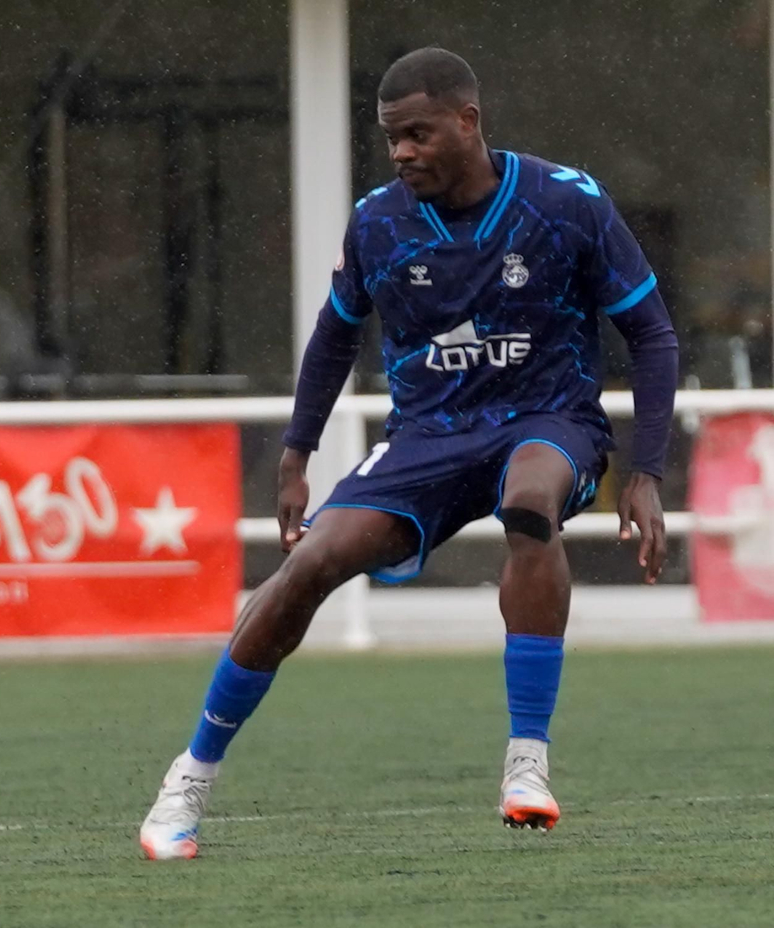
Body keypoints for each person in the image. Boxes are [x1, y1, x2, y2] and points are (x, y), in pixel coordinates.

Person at [138, 47, 679, 859]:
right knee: (311, 563)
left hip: (547, 418)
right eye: (391, 137)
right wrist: (296, 453)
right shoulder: (379, 222)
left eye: (418, 134)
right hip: (426, 437)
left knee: (531, 500)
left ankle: (526, 764)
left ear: (469, 121)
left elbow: (651, 332)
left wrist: (646, 471)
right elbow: (333, 337)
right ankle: (188, 777)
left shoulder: (567, 203)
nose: (402, 152)